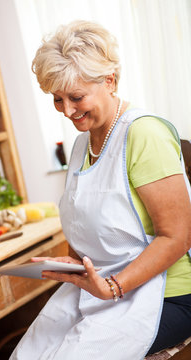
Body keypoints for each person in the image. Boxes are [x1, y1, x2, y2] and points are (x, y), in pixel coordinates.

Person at [10, 20, 191, 360]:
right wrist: (75, 262)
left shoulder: (143, 134)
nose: (67, 111)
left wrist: (112, 287)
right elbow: (92, 223)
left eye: (76, 97)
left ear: (110, 81)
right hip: (100, 291)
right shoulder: (81, 146)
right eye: (57, 99)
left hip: (167, 295)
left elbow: (178, 236)